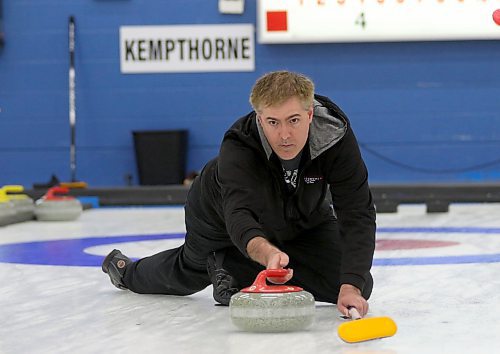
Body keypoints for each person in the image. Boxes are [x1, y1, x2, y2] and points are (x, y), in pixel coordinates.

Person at [102, 71, 376, 318]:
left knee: (358, 281)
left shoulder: (334, 137)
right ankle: (128, 272)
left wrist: (350, 286)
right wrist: (267, 252)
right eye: (272, 122)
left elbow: (357, 212)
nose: (284, 135)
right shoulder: (240, 144)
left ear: (310, 115)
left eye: (293, 120)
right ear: (259, 118)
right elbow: (239, 215)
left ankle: (238, 268)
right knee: (189, 270)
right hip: (217, 216)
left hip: (301, 215)